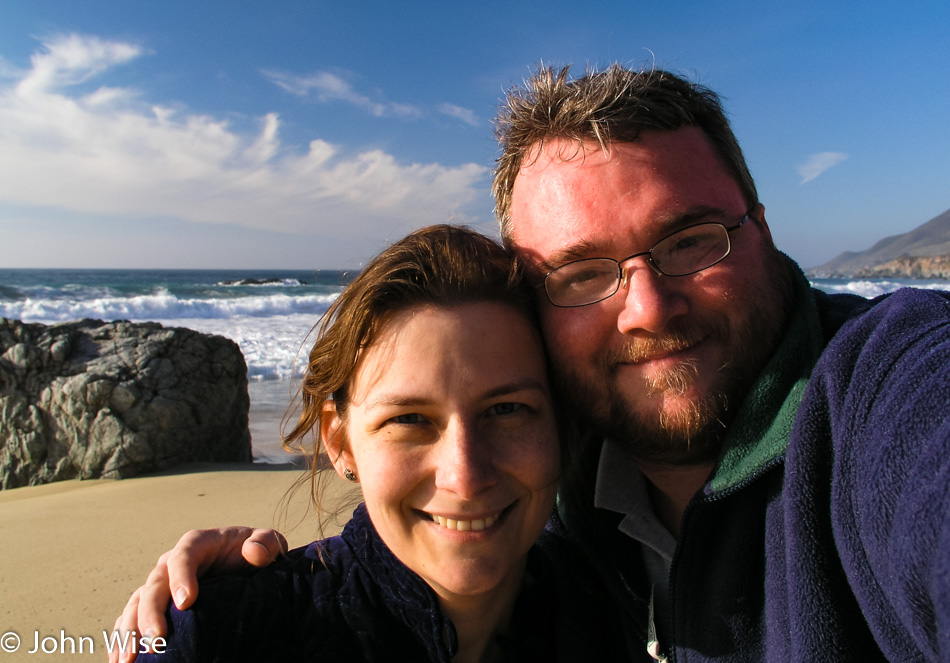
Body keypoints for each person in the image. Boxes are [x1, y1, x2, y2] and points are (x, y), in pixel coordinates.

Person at [116, 65, 950, 661]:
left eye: (692, 240)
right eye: (583, 274)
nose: (649, 308)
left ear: (760, 229)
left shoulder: (888, 386)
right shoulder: (570, 522)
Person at [124, 224, 626, 662]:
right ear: (340, 442)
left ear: (561, 423)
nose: (466, 475)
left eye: (506, 409)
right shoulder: (220, 638)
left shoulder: (621, 616)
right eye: (409, 419)